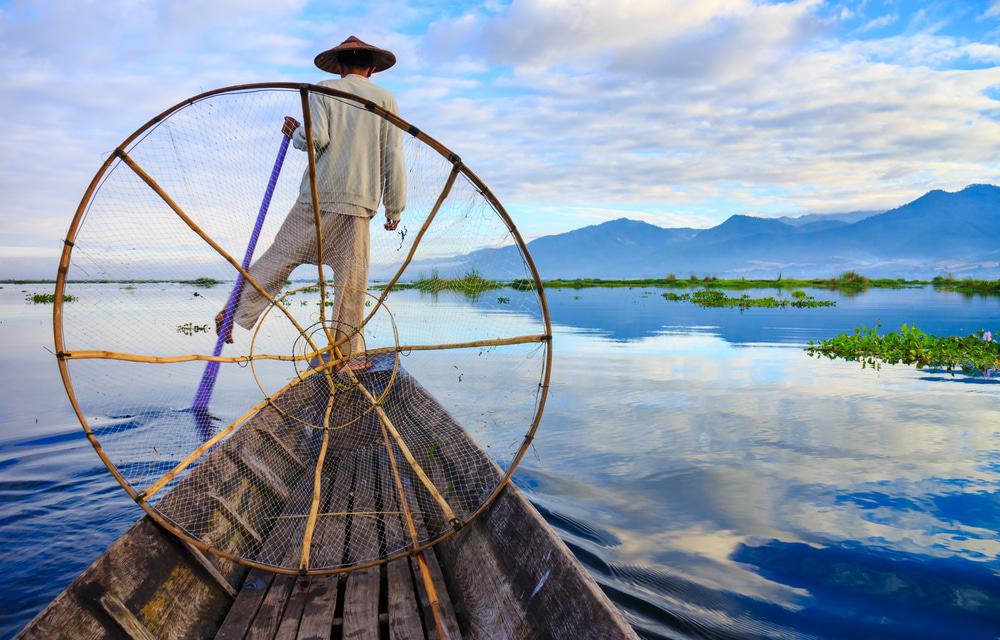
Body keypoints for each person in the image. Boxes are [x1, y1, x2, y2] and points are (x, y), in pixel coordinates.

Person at [217, 36, 406, 372]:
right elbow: (393, 154)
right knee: (351, 280)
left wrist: (295, 133)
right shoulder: (385, 99)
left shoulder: (324, 90)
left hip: (318, 195)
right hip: (359, 200)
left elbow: (315, 138)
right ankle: (346, 355)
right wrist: (395, 208)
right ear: (372, 70)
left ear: (341, 66)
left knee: (279, 257)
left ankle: (233, 311)